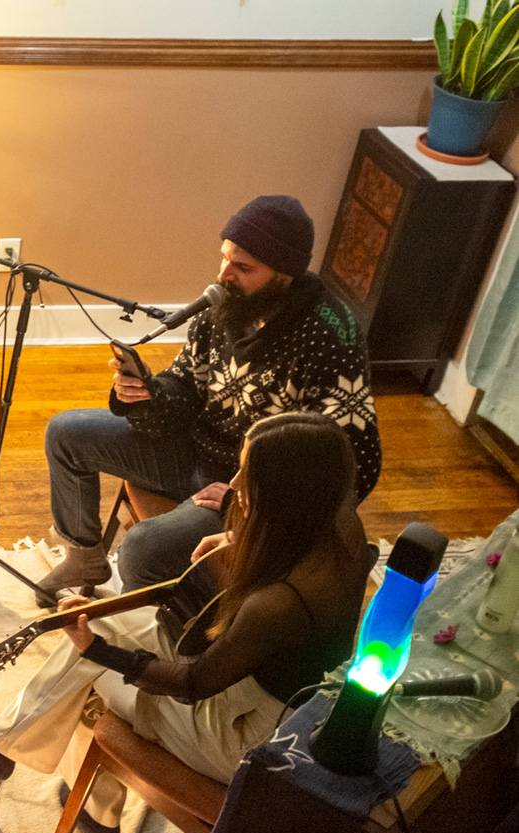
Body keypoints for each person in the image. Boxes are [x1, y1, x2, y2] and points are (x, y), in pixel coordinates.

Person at [0, 413, 373, 833]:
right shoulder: (343, 528)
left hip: (247, 734)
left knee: (92, 673)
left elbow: (192, 683)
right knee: (114, 625)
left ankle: (82, 796)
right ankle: (7, 749)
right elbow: (291, 549)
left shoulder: (278, 605)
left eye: (246, 476)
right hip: (271, 686)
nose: (233, 484)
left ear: (285, 497)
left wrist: (93, 650)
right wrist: (233, 536)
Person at [36, 195, 382, 605]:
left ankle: (167, 633)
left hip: (247, 489)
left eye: (243, 267)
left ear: (285, 275)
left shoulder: (329, 335)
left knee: (141, 551)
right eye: (224, 258)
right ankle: (85, 558)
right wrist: (147, 395)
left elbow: (354, 462)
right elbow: (186, 385)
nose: (224, 275)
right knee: (66, 434)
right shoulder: (225, 307)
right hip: (193, 450)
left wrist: (248, 502)